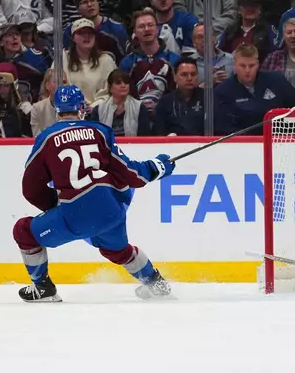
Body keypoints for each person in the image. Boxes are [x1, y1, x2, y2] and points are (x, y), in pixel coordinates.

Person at [12, 84, 176, 302]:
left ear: (57, 110)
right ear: (82, 108)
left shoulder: (47, 139)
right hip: (110, 211)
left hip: (74, 214)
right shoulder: (100, 131)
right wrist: (157, 167)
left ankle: (43, 288)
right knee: (118, 250)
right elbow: (130, 173)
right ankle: (156, 284)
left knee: (24, 230)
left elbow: (31, 188)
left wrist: (55, 207)